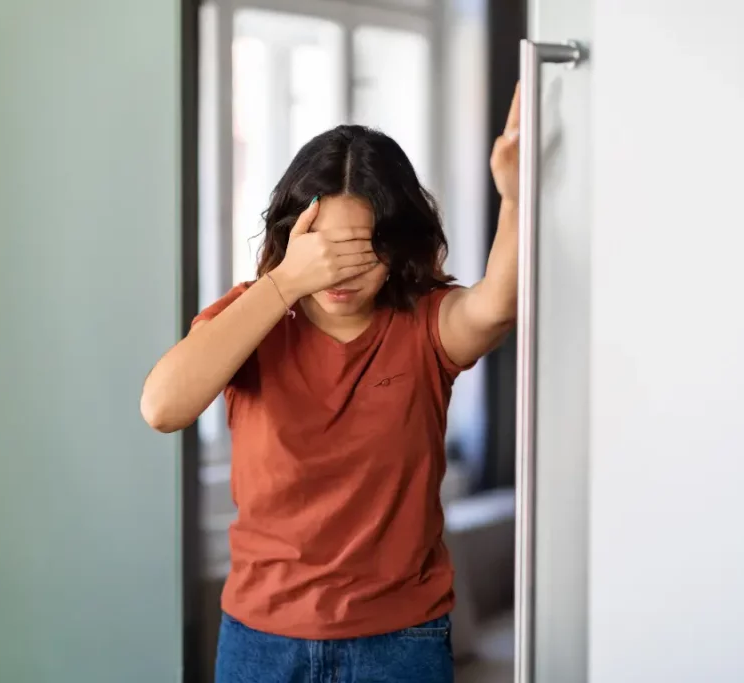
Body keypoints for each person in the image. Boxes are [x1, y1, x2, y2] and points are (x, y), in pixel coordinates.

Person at [140, 85, 523, 683]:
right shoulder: (253, 319)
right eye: (324, 253)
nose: (338, 276)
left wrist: (517, 198)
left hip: (402, 642)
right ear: (295, 241)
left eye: (361, 254)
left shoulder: (425, 324)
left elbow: (495, 307)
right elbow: (162, 407)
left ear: (396, 251)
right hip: (261, 641)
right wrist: (286, 282)